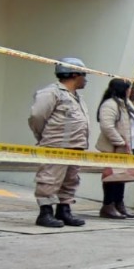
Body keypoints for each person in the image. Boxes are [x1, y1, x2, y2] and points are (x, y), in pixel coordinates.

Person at [28, 57, 90, 228]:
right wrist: (44, 138)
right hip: (56, 145)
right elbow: (37, 117)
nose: (86, 79)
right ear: (75, 74)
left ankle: (64, 210)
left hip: (76, 146)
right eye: (84, 75)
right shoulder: (51, 93)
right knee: (49, 179)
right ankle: (45, 212)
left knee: (71, 179)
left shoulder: (76, 97)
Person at [96, 78, 134, 219]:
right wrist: (120, 142)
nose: (130, 91)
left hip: (125, 148)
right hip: (114, 148)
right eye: (128, 88)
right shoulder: (110, 104)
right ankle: (108, 205)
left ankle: (119, 204)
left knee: (121, 177)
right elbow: (107, 126)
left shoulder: (125, 104)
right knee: (112, 177)